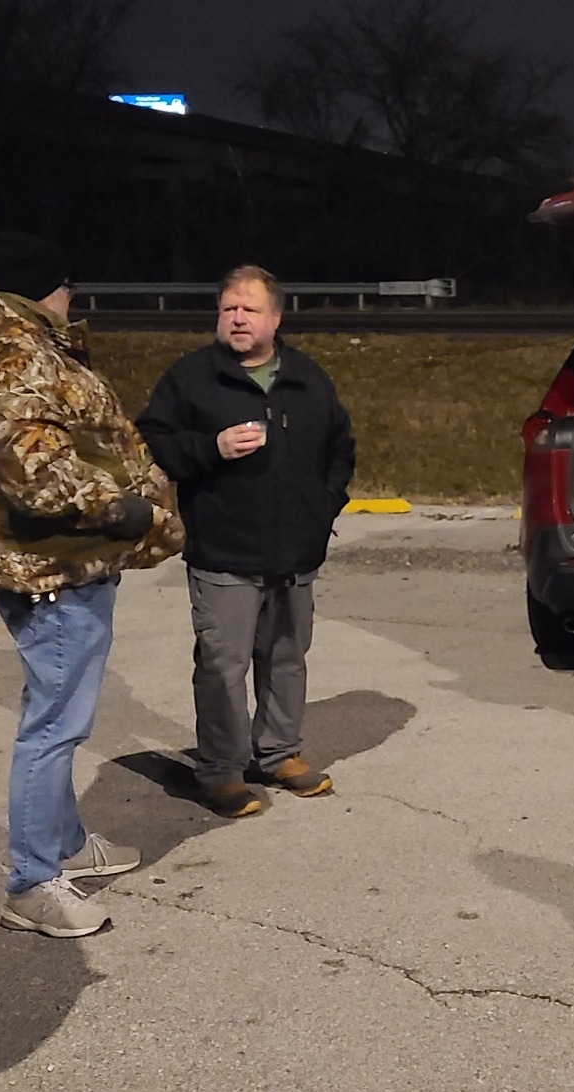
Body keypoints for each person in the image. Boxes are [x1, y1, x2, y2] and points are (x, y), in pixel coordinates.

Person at [0, 231, 183, 939]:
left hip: (47, 561)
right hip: (51, 566)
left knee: (57, 709)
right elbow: (36, 470)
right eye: (68, 288)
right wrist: (126, 510)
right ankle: (33, 881)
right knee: (55, 724)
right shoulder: (12, 356)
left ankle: (65, 844)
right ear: (49, 290)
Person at [136, 265, 356, 818]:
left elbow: (340, 447)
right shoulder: (191, 378)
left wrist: (323, 506)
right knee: (222, 667)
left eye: (250, 309)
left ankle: (279, 753)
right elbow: (151, 443)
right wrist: (210, 447)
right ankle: (221, 772)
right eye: (229, 308)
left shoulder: (308, 378)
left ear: (275, 319)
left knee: (286, 658)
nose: (237, 318)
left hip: (295, 551)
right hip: (224, 551)